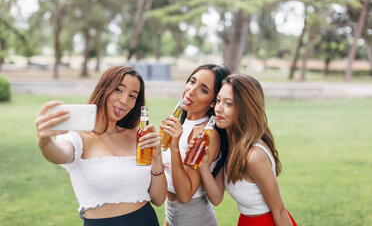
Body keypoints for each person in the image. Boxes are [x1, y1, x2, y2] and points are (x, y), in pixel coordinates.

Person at [35, 65, 166, 226]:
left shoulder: (138, 136)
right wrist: (45, 142)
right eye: (119, 90)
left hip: (146, 220)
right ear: (104, 89)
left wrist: (157, 156)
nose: (124, 101)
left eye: (132, 96)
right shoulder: (79, 136)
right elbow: (59, 153)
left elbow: (159, 199)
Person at [194, 73, 297, 226]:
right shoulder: (231, 145)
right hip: (245, 221)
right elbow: (216, 198)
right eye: (218, 101)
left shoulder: (254, 156)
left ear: (245, 109)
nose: (219, 109)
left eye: (228, 104)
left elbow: (280, 211)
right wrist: (203, 166)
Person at [160, 64, 231, 226]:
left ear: (214, 102)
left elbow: (184, 196)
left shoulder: (207, 135)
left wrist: (175, 146)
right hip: (173, 217)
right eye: (192, 81)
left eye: (203, 90)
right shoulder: (183, 123)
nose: (191, 90)